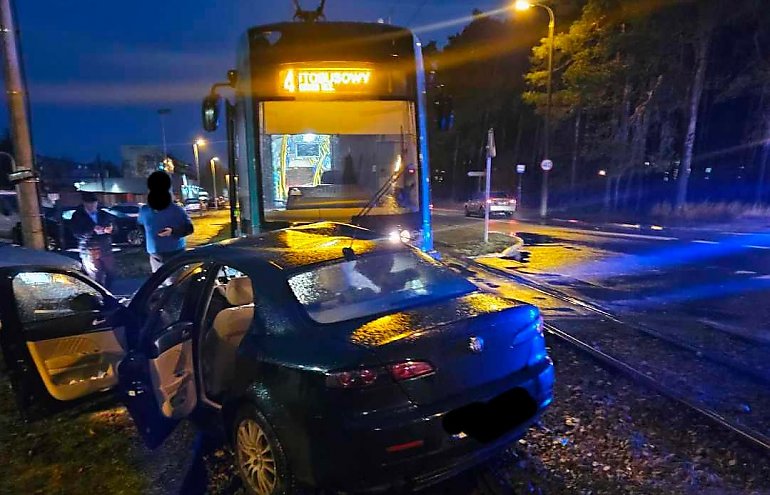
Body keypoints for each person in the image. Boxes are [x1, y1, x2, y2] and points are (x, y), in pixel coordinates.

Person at [138, 171, 194, 273]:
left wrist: (172, 231)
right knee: (159, 284)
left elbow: (189, 228)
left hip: (175, 253)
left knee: (175, 283)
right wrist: (147, 240)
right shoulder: (144, 210)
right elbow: (140, 226)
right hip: (155, 256)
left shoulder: (176, 210)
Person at [70, 192, 117, 288]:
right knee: (96, 275)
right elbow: (77, 233)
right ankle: (99, 295)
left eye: (94, 203)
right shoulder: (78, 216)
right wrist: (92, 229)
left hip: (105, 247)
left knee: (111, 272)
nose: (92, 206)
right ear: (84, 203)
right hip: (88, 249)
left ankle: (107, 293)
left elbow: (115, 227)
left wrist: (111, 229)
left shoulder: (103, 214)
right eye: (89, 204)